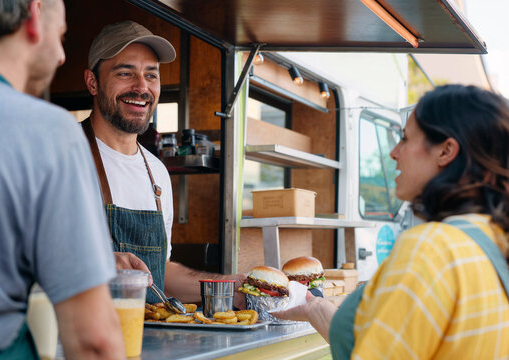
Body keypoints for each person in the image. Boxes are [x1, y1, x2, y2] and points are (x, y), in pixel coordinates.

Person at [273, 85, 509, 359]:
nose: (394, 152)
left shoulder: (430, 247)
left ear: (445, 151)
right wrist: (315, 309)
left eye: (405, 138)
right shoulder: (494, 240)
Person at [0, 0, 128, 358]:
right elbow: (94, 341)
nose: (59, 57)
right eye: (61, 37)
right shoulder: (45, 131)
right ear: (34, 15)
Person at [83, 20, 244, 305]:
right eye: (125, 72)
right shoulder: (59, 154)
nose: (141, 87)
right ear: (92, 82)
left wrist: (238, 286)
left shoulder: (156, 172)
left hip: (149, 341)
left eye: (151, 75)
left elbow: (161, 275)